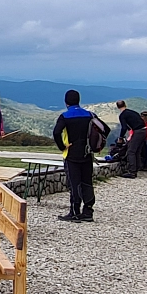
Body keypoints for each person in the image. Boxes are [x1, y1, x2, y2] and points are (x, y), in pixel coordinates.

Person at [53, 89, 95, 222]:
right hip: (87, 153)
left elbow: (56, 133)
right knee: (87, 182)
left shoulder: (65, 116)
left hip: (72, 153)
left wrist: (62, 146)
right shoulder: (90, 114)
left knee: (74, 182)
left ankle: (75, 212)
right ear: (78, 100)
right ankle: (88, 211)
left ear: (66, 102)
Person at [116, 100, 146, 178]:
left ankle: (132, 172)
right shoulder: (133, 112)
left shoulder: (122, 115)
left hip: (138, 132)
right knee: (137, 150)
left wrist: (121, 137)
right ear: (125, 105)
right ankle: (138, 167)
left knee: (131, 151)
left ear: (117, 107)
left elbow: (124, 127)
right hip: (144, 131)